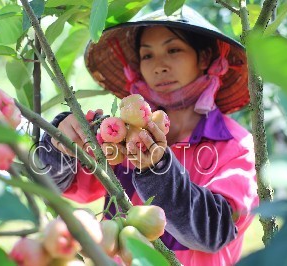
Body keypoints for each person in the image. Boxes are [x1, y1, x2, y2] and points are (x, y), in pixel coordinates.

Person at [39, 6, 259, 266]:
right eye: (147, 55)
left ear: (204, 57)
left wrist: (157, 167)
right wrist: (61, 144)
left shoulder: (237, 147)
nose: (159, 66)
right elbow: (60, 185)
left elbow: (214, 231)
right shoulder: (122, 133)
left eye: (173, 50)